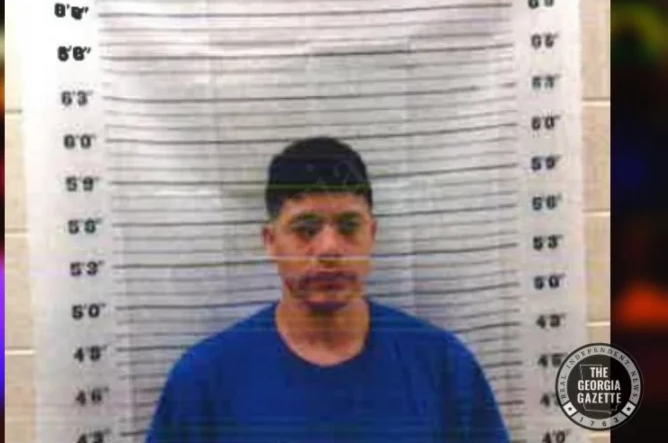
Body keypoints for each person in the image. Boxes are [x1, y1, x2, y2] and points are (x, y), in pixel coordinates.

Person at [146, 136, 509, 442]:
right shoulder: (203, 382)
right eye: (306, 229)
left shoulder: (446, 369)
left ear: (372, 235)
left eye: (349, 226)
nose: (329, 249)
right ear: (271, 242)